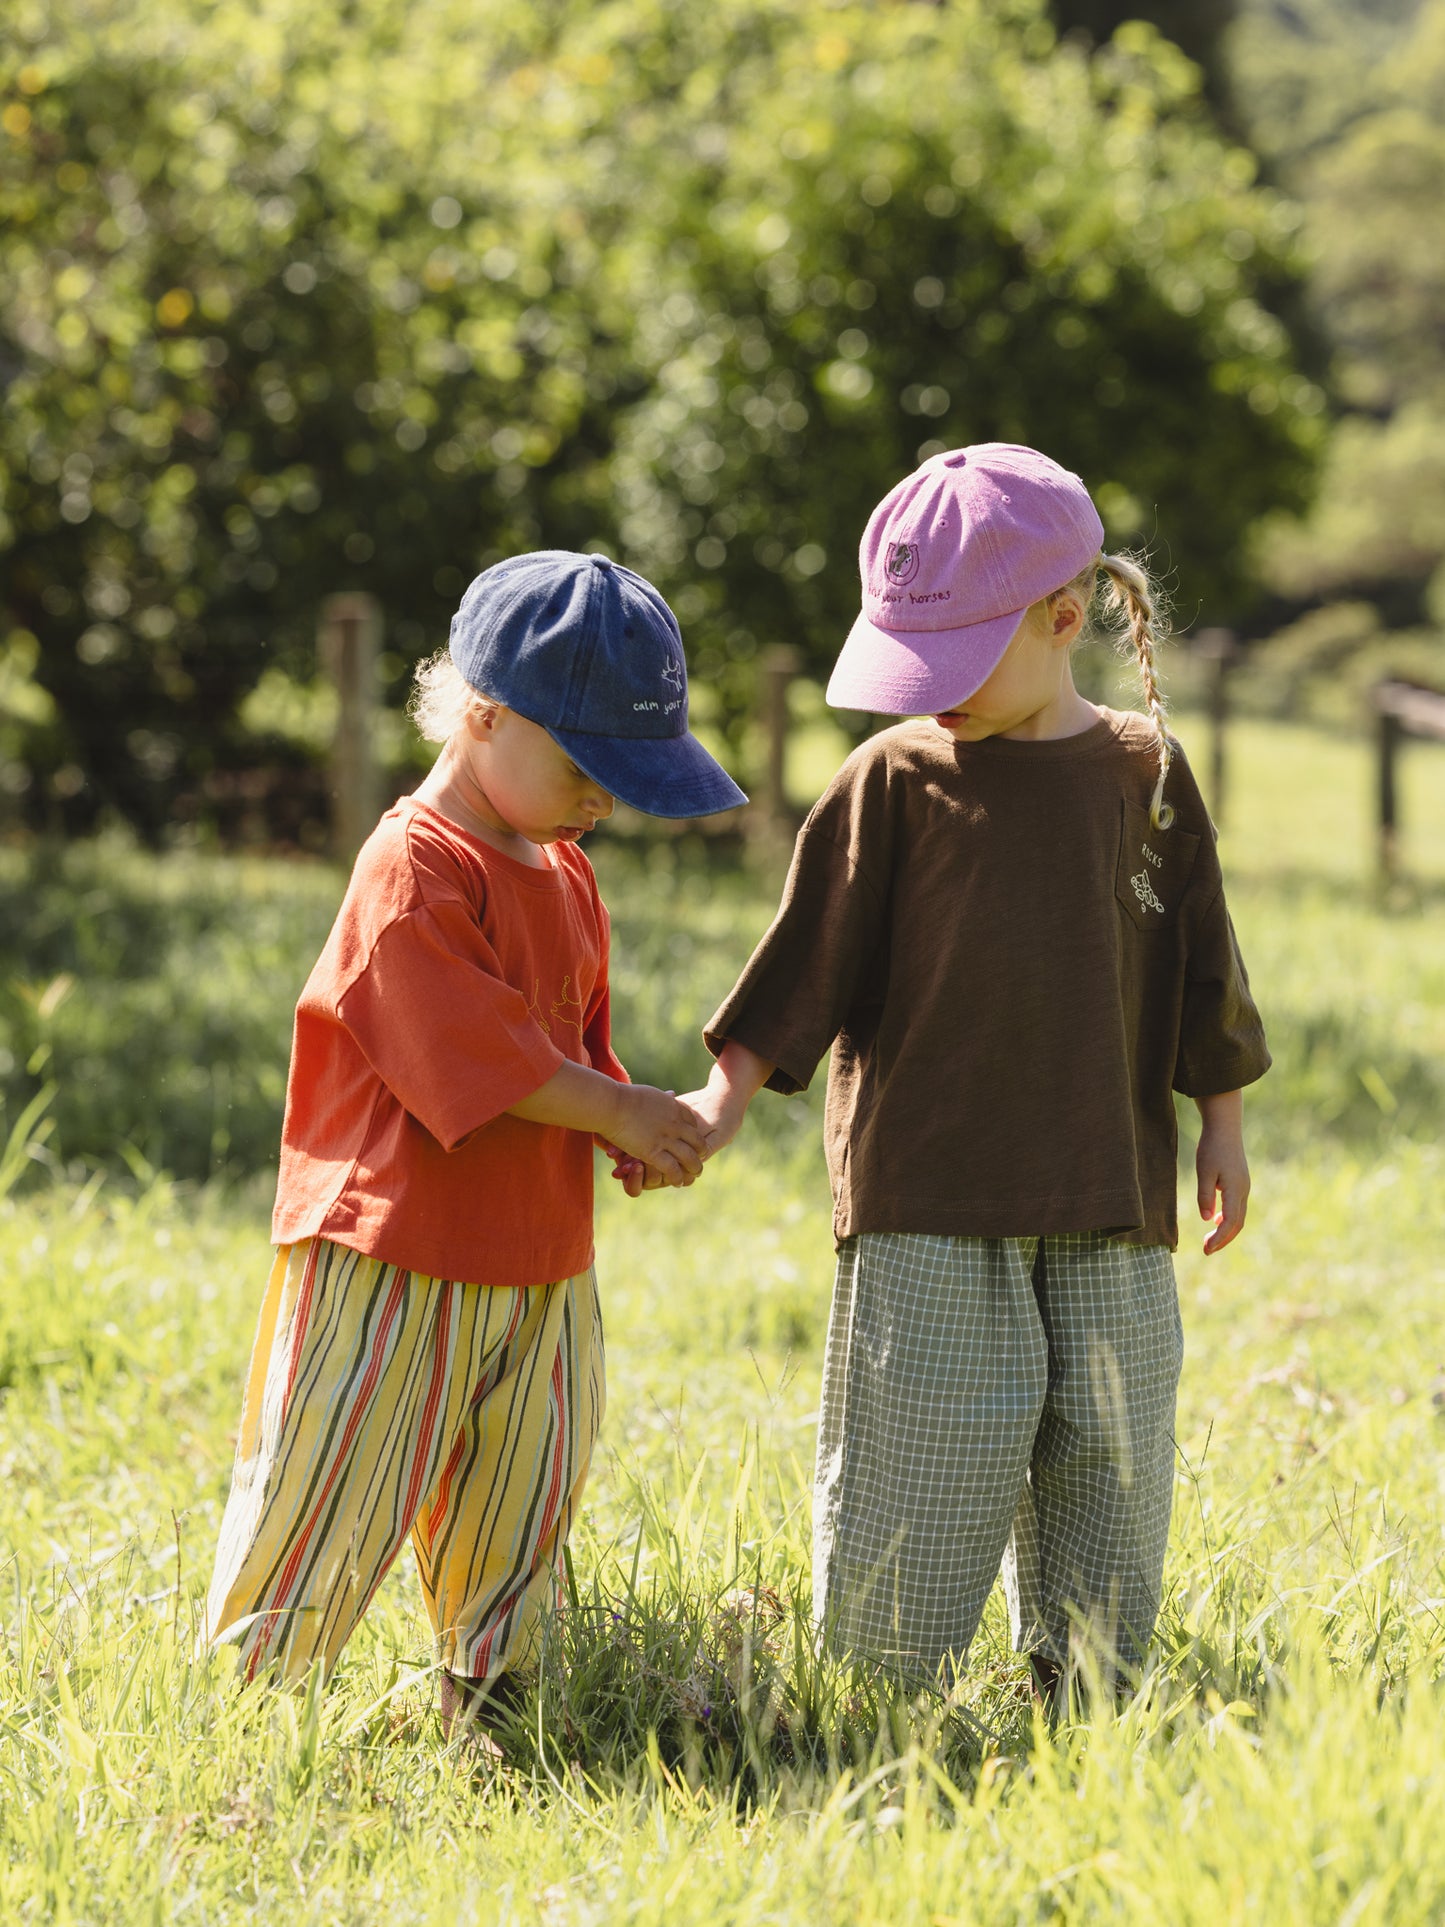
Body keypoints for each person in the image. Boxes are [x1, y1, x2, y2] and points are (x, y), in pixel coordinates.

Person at [682, 445, 1270, 1694]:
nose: (926, 695)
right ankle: (874, 1699)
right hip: (927, 1205)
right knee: (923, 1454)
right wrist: (718, 1104)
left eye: (953, 662)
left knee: (1109, 1455)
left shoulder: (1144, 772)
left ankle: (1084, 1680)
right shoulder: (890, 780)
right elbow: (799, 968)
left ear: (1065, 620)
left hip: (1109, 1193)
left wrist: (1218, 1124)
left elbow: (1200, 959)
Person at [203, 550, 745, 1732]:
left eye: (625, 776)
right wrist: (613, 1106)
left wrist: (619, 1122)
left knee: (523, 1489)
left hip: (541, 1261)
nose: (604, 799)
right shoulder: (413, 869)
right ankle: (251, 1715)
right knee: (333, 1491)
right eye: (584, 767)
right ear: (482, 716)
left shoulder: (564, 870)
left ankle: (494, 1709)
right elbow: (472, 1055)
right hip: (391, 1256)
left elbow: (569, 1047)